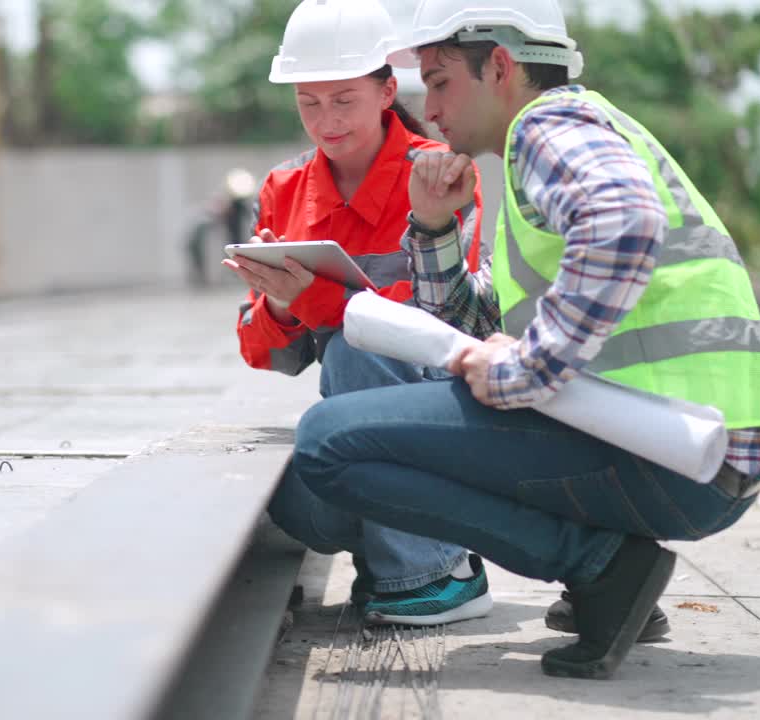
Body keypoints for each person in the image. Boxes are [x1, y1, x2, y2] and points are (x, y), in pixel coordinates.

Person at [287, 0, 760, 679]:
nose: (427, 109)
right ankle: (608, 567)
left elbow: (623, 219)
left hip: (678, 450)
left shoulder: (548, 125)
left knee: (327, 445)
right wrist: (434, 228)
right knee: (362, 433)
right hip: (693, 450)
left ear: (499, 66)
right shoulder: (565, 138)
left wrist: (527, 371)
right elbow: (475, 321)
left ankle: (602, 565)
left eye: (437, 81)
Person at [223, 0, 490, 626]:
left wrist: (314, 300)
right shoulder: (283, 191)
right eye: (309, 103)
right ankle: (406, 547)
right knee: (291, 505)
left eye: (344, 99)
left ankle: (431, 572)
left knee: (360, 345)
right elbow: (264, 352)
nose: (326, 121)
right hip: (353, 422)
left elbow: (435, 325)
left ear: (387, 89)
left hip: (442, 415)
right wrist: (281, 309)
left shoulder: (439, 174)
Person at [186, 169, 256, 287]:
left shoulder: (239, 207)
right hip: (226, 233)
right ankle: (204, 276)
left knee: (233, 248)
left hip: (233, 234)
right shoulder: (222, 204)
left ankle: (234, 273)